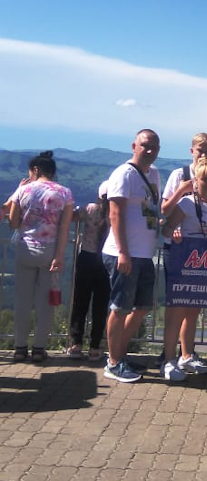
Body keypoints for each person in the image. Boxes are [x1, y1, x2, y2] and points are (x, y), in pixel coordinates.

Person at [102, 129, 161, 383]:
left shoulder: (154, 174)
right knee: (120, 308)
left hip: (145, 254)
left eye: (154, 146)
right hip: (124, 253)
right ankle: (114, 363)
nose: (150, 150)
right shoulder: (124, 174)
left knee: (142, 307)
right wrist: (123, 252)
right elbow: (115, 214)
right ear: (134, 146)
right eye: (145, 145)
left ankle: (120, 354)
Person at [9, 151, 74, 363]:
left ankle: (20, 348)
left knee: (23, 301)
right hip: (50, 251)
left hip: (25, 249)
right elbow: (64, 227)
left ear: (35, 170)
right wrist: (59, 255)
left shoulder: (23, 190)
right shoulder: (65, 193)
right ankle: (39, 348)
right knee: (45, 303)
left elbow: (13, 222)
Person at [160, 132, 207, 375]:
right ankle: (168, 358)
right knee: (177, 309)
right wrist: (182, 191)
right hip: (179, 255)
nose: (203, 154)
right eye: (200, 150)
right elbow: (165, 213)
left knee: (193, 310)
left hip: (202, 262)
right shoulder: (179, 176)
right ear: (192, 150)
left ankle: (186, 354)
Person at [67, 181, 111, 362]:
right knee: (101, 305)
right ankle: (95, 347)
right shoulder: (115, 213)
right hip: (106, 260)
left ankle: (76, 344)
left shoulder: (91, 209)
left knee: (80, 302)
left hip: (86, 257)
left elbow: (72, 217)